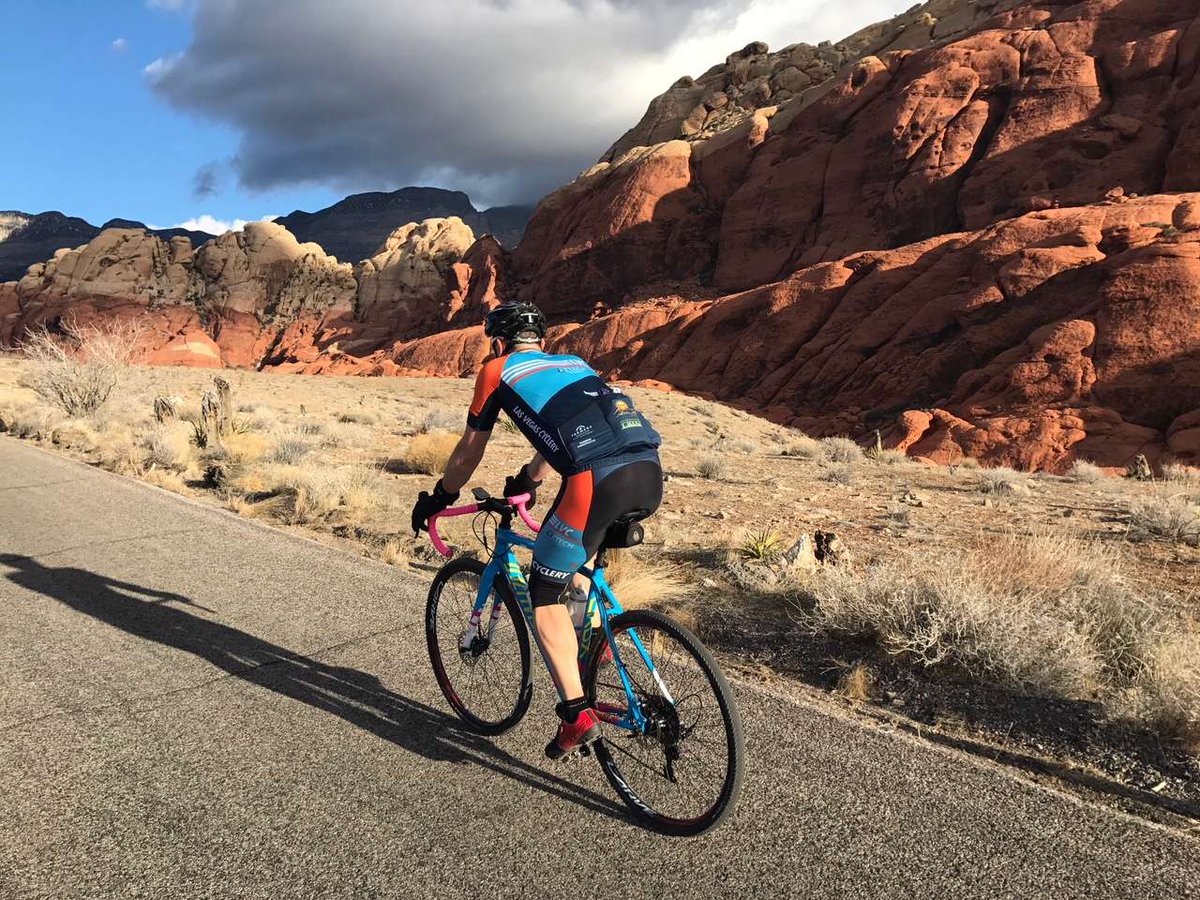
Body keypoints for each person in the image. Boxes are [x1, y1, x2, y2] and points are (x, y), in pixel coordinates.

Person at [411, 301, 663, 760]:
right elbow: (562, 429)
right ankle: (594, 644)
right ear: (541, 342)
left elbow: (468, 454)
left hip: (595, 481)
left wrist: (439, 498)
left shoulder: (496, 370)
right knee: (575, 563)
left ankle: (575, 716)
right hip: (648, 469)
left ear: (499, 342)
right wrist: (529, 480)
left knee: (544, 590)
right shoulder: (574, 363)